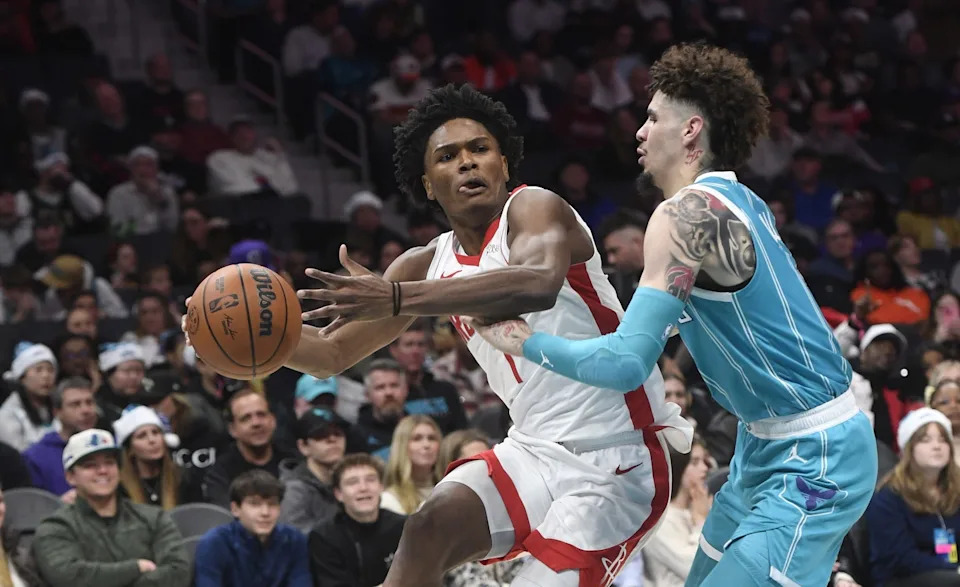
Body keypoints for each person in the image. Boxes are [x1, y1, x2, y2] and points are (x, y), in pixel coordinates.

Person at [186, 83, 690, 586]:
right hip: (533, 449)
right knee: (428, 526)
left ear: (504, 164)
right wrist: (240, 336)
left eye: (480, 149)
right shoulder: (426, 264)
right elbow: (332, 353)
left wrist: (401, 299)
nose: (468, 163)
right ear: (428, 183)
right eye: (448, 156)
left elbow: (535, 284)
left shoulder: (534, 207)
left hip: (620, 457)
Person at [471, 44, 877, 587]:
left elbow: (624, 364)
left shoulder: (683, 215)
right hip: (765, 443)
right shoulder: (741, 199)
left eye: (652, 117)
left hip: (817, 453)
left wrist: (523, 341)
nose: (639, 132)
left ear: (690, 130)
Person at [32, 429, 190, 587]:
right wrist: (135, 568)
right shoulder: (56, 527)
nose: (103, 471)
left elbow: (179, 571)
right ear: (71, 477)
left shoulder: (154, 518)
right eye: (90, 465)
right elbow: (69, 577)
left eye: (109, 462)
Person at [866, 409, 960, 587]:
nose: (937, 446)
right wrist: (953, 568)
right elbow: (900, 559)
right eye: (925, 440)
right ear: (909, 449)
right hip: (900, 579)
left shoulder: (955, 491)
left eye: (943, 439)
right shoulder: (888, 496)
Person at [194, 470, 311, 587]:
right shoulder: (215, 543)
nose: (265, 512)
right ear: (235, 509)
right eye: (255, 504)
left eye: (272, 504)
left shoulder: (294, 540)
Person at [308, 454, 406, 587]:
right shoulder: (324, 537)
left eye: (370, 480)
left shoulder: (404, 526)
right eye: (352, 482)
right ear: (339, 494)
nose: (363, 488)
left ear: (381, 487)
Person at [642, 436, 713, 587]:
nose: (704, 468)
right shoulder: (658, 522)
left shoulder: (700, 508)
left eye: (704, 460)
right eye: (695, 462)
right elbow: (694, 569)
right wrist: (701, 521)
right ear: (678, 467)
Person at [22, 376, 97, 499]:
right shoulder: (35, 457)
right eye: (75, 404)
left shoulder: (109, 444)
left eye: (89, 402)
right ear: (57, 412)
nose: (86, 410)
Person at [278, 407, 346, 534]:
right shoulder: (293, 491)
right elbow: (295, 539)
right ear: (303, 446)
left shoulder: (350, 482)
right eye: (321, 435)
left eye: (337, 433)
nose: (332, 439)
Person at [113, 405, 182, 509]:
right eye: (142, 436)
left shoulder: (182, 477)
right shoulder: (119, 488)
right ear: (130, 450)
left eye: (155, 432)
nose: (152, 440)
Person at [380, 414, 442, 515]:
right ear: (402, 446)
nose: (426, 445)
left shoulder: (450, 490)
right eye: (417, 439)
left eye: (431, 438)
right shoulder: (389, 499)